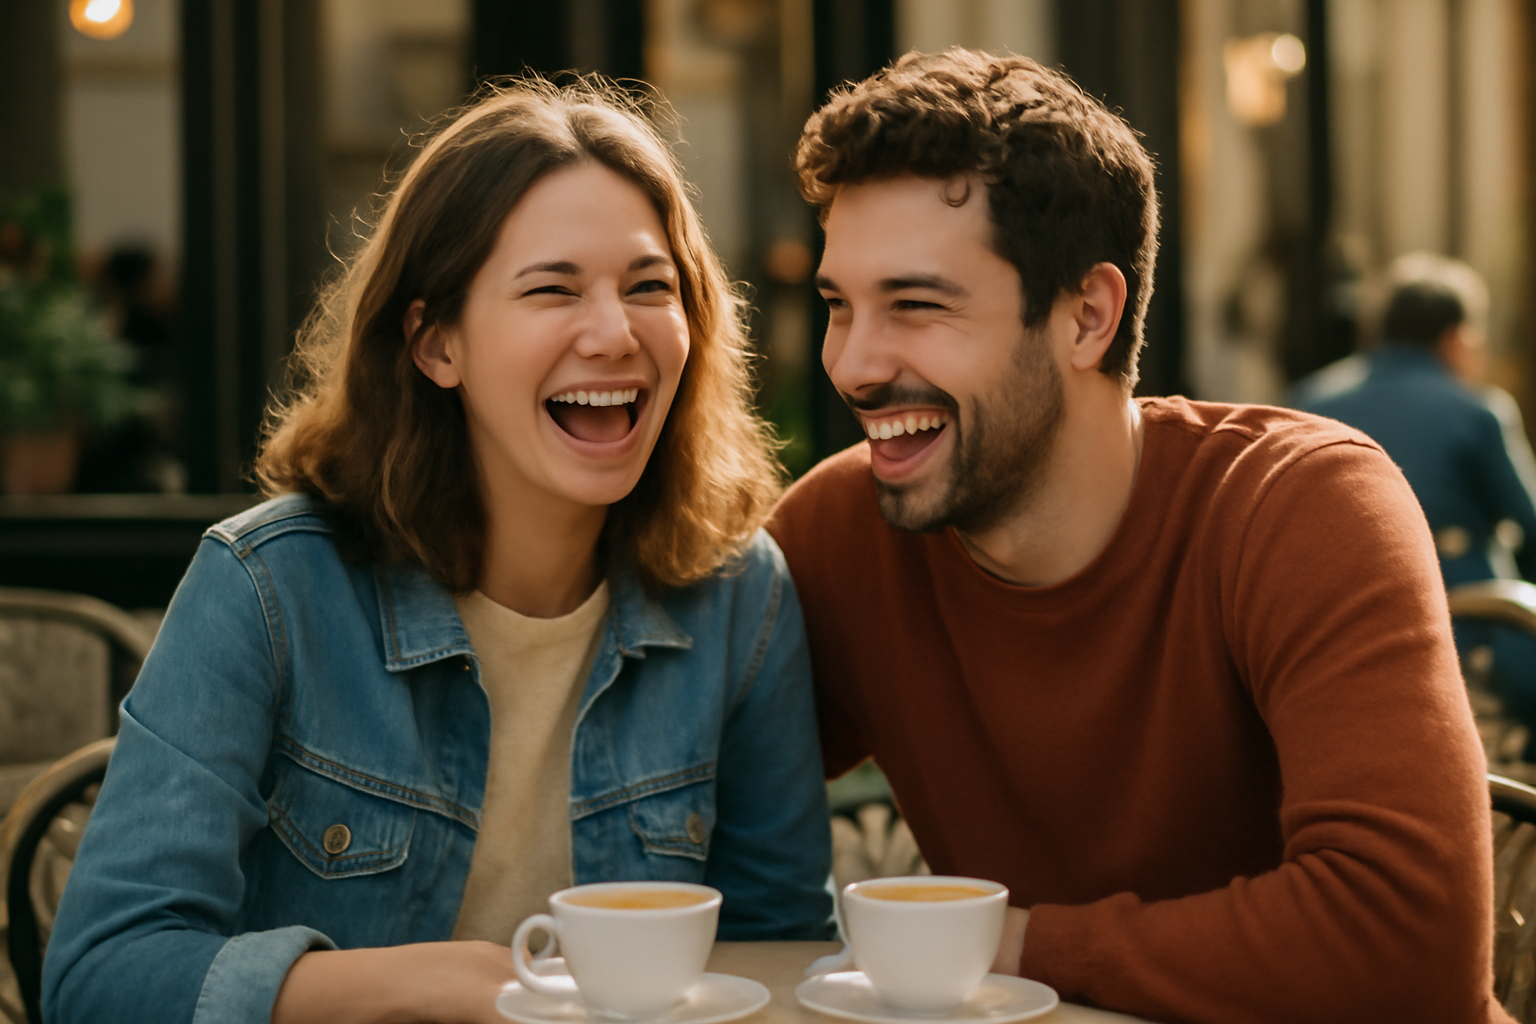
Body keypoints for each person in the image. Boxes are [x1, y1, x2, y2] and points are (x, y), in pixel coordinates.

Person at [43, 79, 833, 1024]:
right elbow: (101, 976)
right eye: (552, 288)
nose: (615, 333)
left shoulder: (740, 596)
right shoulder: (268, 587)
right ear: (435, 343)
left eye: (650, 287)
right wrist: (418, 986)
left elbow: (781, 948)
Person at [768, 49, 1506, 1023]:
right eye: (837, 307)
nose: (854, 364)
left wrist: (1015, 941)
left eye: (915, 305)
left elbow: (1405, 943)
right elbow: (663, 789)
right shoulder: (838, 534)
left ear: (1088, 315)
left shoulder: (1298, 502)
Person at [1296, 256, 1536, 745]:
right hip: (1463, 635)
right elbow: (1529, 525)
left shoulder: (1307, 400)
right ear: (1455, 338)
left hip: (1331, 632)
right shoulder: (1477, 411)